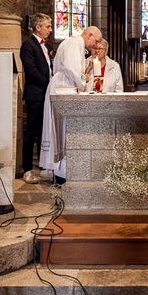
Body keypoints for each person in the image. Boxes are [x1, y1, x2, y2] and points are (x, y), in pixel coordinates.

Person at [40, 26, 103, 185]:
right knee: (60, 131)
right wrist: (83, 85)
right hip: (63, 88)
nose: (94, 45)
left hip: (64, 87)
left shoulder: (75, 44)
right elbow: (72, 68)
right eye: (95, 41)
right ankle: (59, 174)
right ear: (89, 35)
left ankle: (61, 172)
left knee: (63, 131)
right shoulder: (76, 43)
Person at [19, 13, 53, 184]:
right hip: (36, 95)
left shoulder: (45, 46)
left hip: (45, 94)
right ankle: (27, 169)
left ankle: (42, 166)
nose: (50, 29)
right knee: (31, 132)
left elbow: (48, 68)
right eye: (47, 26)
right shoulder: (28, 45)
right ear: (38, 27)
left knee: (43, 132)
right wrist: (49, 84)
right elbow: (31, 72)